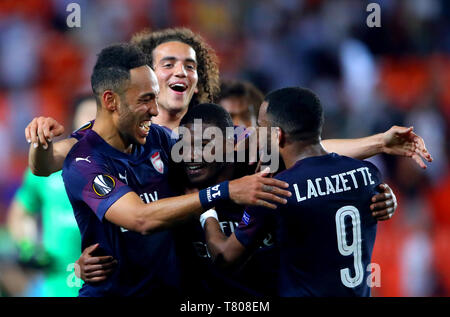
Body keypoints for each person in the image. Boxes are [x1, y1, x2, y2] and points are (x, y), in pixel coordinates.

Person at [76, 103, 399, 296]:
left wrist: (375, 173)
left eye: (204, 144)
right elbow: (136, 219)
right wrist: (84, 264)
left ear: (230, 145)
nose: (191, 154)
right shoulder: (174, 181)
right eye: (185, 145)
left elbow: (316, 152)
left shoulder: (265, 172)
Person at [61, 43, 290, 297]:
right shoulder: (181, 167)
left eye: (189, 66)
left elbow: (308, 146)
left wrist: (274, 140)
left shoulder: (247, 170)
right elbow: (141, 219)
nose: (154, 109)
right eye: (168, 65)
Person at [201, 87, 402, 296]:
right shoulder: (368, 174)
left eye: (261, 127)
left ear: (277, 135)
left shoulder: (275, 190)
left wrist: (207, 207)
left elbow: (224, 258)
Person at [6, 95, 97, 297]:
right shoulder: (45, 170)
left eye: (97, 117)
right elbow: (20, 213)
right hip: (55, 284)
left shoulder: (120, 166)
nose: (92, 122)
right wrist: (28, 246)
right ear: (73, 120)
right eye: (87, 116)